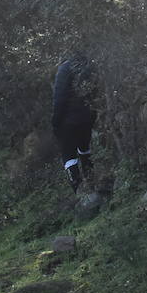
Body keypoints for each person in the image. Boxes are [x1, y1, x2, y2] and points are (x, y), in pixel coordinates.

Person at [51, 54, 98, 192]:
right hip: (87, 117)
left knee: (68, 154)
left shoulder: (64, 69)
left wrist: (55, 122)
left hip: (68, 121)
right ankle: (91, 179)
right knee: (84, 148)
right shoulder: (88, 65)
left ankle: (78, 188)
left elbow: (59, 98)